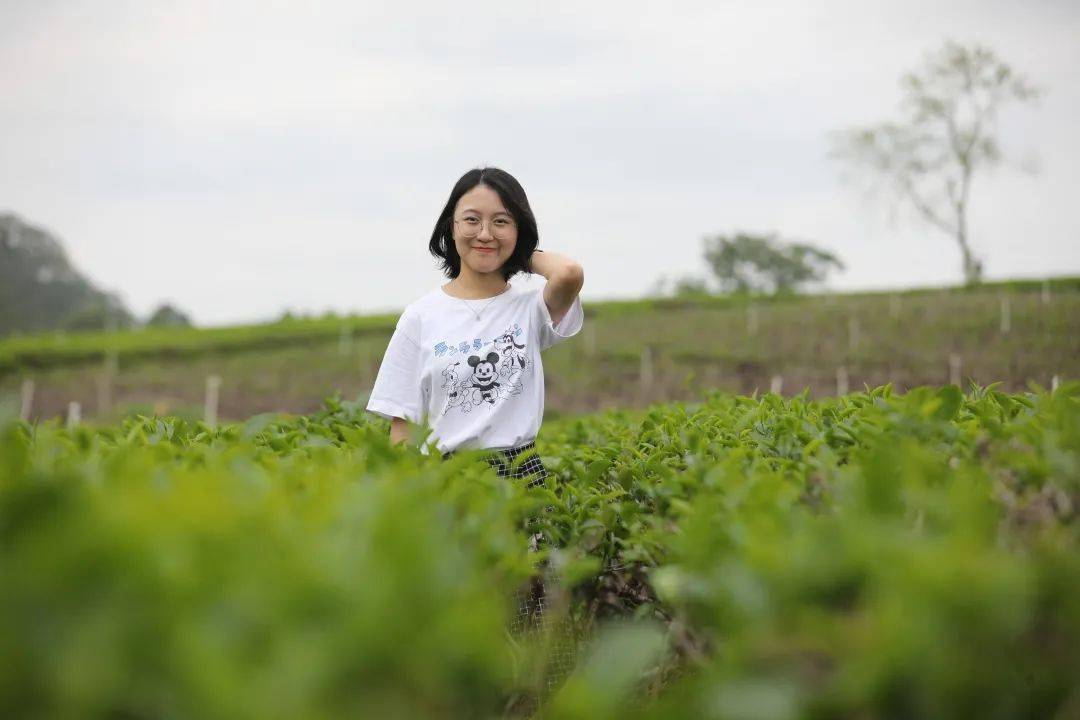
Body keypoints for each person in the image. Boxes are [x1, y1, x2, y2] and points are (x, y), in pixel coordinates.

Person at [365, 166, 585, 486]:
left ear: (518, 230)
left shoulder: (530, 309)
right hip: (448, 476)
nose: (484, 233)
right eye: (471, 220)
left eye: (501, 221)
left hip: (520, 472)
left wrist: (519, 252)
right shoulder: (420, 317)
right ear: (451, 228)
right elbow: (403, 426)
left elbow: (568, 273)